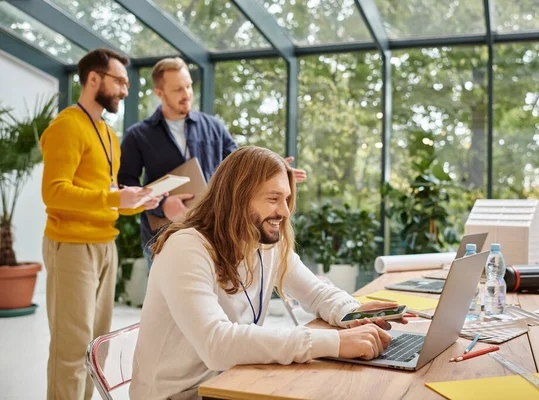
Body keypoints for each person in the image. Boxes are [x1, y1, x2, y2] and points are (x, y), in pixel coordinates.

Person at [130, 146, 405, 400]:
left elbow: (317, 293)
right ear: (236, 199)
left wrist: (355, 314)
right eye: (273, 199)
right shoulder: (187, 248)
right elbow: (217, 344)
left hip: (234, 380)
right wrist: (334, 342)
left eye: (286, 199)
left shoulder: (265, 242)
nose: (284, 212)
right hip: (180, 395)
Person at [40, 48, 162, 400]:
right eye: (119, 81)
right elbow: (55, 193)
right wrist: (113, 198)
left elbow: (104, 196)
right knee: (70, 349)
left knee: (95, 349)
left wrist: (135, 200)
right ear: (94, 78)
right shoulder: (67, 126)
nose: (125, 89)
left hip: (103, 245)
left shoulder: (108, 135)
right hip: (72, 247)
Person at [118, 57, 306, 268]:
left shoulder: (214, 126)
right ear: (159, 93)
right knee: (167, 297)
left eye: (189, 86)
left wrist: (273, 171)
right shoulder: (137, 135)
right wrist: (162, 205)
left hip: (212, 231)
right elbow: (126, 185)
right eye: (178, 89)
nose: (187, 94)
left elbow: (239, 165)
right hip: (163, 235)